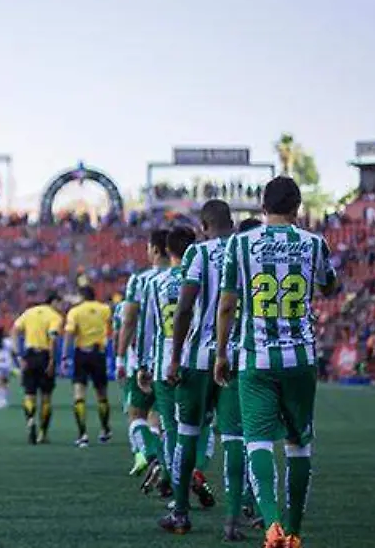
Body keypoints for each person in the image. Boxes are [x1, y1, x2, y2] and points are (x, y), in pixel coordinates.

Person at [215, 177, 340, 548]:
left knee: (257, 441)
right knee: (299, 443)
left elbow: (226, 305)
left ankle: (271, 525)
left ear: (262, 207)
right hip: (300, 357)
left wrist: (222, 353)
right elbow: (328, 285)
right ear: (297, 208)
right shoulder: (314, 243)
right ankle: (296, 530)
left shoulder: (240, 244)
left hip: (256, 358)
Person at [161, 200, 244, 539]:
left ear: (204, 226)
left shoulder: (199, 252)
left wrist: (175, 356)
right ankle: (233, 522)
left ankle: (180, 514)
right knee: (236, 439)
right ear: (232, 223)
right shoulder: (246, 249)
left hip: (197, 358)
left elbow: (184, 309)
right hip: (238, 358)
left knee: (187, 434)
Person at [140, 226, 197, 499]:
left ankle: (177, 484)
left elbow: (147, 328)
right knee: (199, 424)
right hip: (197, 361)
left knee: (170, 426)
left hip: (165, 363)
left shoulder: (155, 283)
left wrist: (143, 364)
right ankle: (194, 471)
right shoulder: (202, 278)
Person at [116, 229, 169, 476]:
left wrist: (120, 357)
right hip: (176, 358)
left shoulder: (141, 280)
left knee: (136, 413)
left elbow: (128, 321)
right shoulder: (189, 277)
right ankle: (168, 468)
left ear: (156, 249)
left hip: (144, 359)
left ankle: (151, 456)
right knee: (160, 417)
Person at [63, 285, 113, 447]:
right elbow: (113, 326)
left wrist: (64, 355)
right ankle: (105, 430)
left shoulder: (75, 311)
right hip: (99, 354)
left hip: (81, 354)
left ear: (81, 296)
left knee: (79, 394)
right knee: (102, 394)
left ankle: (82, 434)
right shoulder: (104, 309)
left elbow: (70, 333)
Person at [14, 290, 63, 444]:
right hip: (44, 356)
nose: (61, 306)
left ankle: (30, 421)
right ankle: (43, 434)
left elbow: (14, 330)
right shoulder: (55, 316)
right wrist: (52, 361)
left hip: (29, 355)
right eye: (60, 303)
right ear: (54, 301)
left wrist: (18, 355)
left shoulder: (29, 312)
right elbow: (53, 339)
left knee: (29, 395)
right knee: (46, 398)